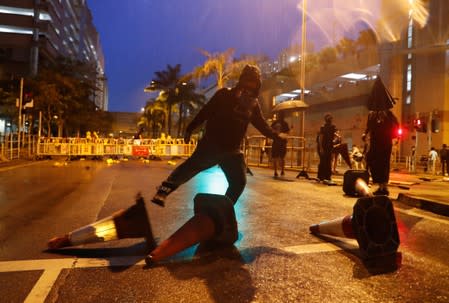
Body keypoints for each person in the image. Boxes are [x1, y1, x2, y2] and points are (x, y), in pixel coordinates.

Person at [151, 65, 284, 206]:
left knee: (239, 182)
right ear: (241, 81)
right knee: (189, 168)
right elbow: (205, 112)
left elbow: (261, 125)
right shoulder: (224, 95)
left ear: (257, 86)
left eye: (253, 84)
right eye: (247, 81)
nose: (249, 87)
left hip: (232, 151)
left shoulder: (253, 105)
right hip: (211, 145)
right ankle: (163, 191)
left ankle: (223, 209)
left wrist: (276, 136)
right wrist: (190, 129)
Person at [363, 77, 399, 196]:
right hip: (378, 143)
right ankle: (381, 185)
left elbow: (396, 126)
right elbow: (369, 127)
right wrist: (366, 134)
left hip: (383, 143)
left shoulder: (388, 115)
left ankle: (383, 186)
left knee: (382, 164)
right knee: (376, 163)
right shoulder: (373, 115)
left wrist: (395, 137)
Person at [317, 113, 337, 182]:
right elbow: (320, 138)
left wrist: (336, 138)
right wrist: (321, 148)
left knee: (328, 162)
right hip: (323, 146)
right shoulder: (323, 127)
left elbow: (333, 135)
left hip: (329, 147)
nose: (330, 120)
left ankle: (327, 177)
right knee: (323, 162)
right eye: (329, 119)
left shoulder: (333, 127)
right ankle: (320, 177)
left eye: (331, 118)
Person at [270, 111, 290, 177]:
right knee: (282, 157)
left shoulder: (275, 123)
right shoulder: (285, 123)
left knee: (275, 157)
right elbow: (288, 132)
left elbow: (270, 130)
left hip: (275, 142)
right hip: (283, 142)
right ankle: (282, 171)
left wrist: (276, 132)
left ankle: (275, 171)